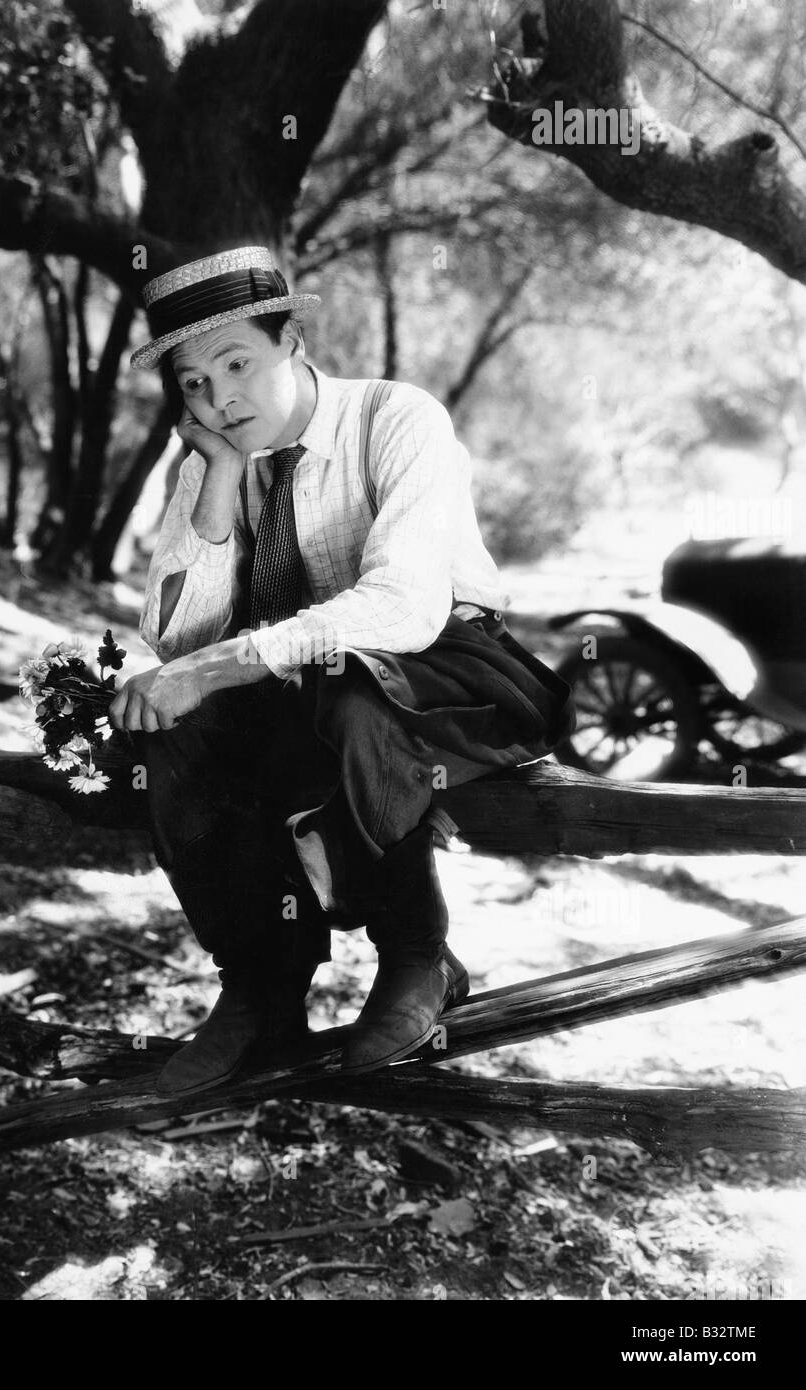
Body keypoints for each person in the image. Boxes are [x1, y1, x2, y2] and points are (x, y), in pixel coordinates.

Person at [109, 245, 573, 1096]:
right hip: (295, 680)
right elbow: (174, 638)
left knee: (352, 699)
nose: (221, 397)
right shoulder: (210, 458)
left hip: (443, 667)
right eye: (193, 384)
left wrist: (226, 662)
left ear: (290, 340)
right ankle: (260, 986)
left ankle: (417, 958)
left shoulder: (397, 418)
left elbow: (401, 603)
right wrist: (215, 484)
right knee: (175, 730)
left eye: (238, 363)